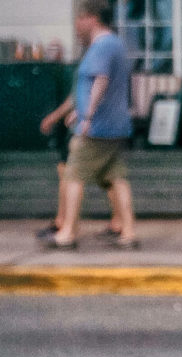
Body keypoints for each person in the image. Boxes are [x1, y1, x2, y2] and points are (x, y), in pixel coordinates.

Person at [41, 0, 138, 250]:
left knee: (73, 176)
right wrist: (80, 111)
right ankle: (128, 232)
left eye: (79, 19)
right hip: (112, 126)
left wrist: (87, 116)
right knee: (116, 177)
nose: (76, 25)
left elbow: (101, 80)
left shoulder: (102, 46)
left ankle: (68, 233)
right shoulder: (113, 44)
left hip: (97, 128)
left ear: (91, 18)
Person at [38, 62, 122, 242]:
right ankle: (118, 222)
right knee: (107, 177)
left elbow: (86, 95)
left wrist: (81, 115)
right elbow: (80, 96)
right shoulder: (94, 60)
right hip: (95, 129)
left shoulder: (94, 60)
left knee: (72, 175)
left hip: (88, 131)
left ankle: (66, 225)